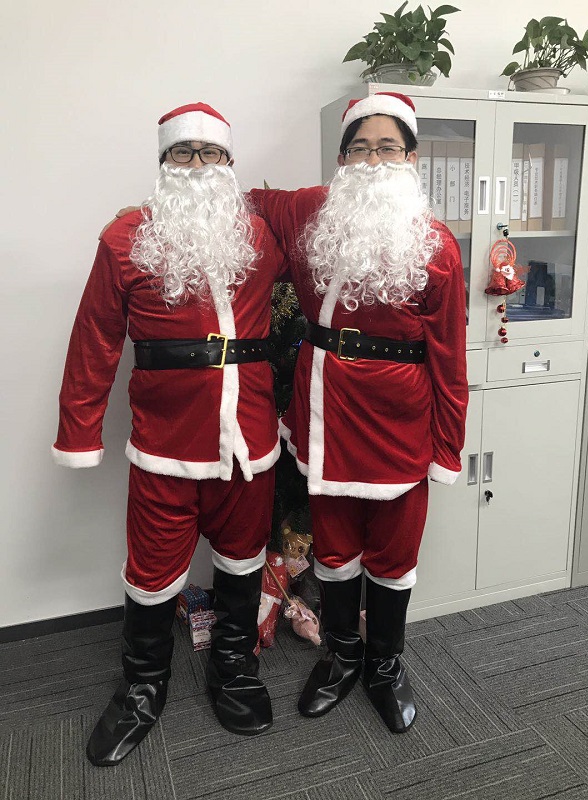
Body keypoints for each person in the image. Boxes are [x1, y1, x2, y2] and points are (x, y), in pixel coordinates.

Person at [53, 102, 286, 766]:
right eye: (183, 153)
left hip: (249, 442)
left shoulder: (259, 235)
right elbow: (95, 339)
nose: (198, 165)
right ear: (163, 163)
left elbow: (329, 243)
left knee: (242, 558)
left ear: (229, 163)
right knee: (152, 572)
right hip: (164, 444)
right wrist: (79, 432)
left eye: (211, 153)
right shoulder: (126, 237)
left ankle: (234, 668)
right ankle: (142, 687)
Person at [248, 92, 468, 734]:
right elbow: (247, 201)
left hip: (401, 421)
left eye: (387, 148)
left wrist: (447, 447)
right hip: (326, 412)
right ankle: (342, 658)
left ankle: (385, 666)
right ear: (342, 158)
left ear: (412, 158)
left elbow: (450, 358)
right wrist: (148, 212)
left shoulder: (437, 245)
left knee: (394, 554)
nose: (373, 161)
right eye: (360, 148)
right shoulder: (311, 210)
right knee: (336, 546)